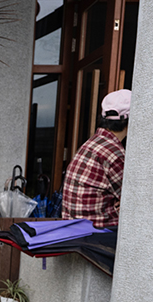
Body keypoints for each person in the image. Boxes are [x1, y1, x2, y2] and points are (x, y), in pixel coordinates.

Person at [61, 89, 131, 228]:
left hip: (74, 228)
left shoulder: (95, 142)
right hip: (96, 232)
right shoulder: (114, 153)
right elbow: (132, 200)